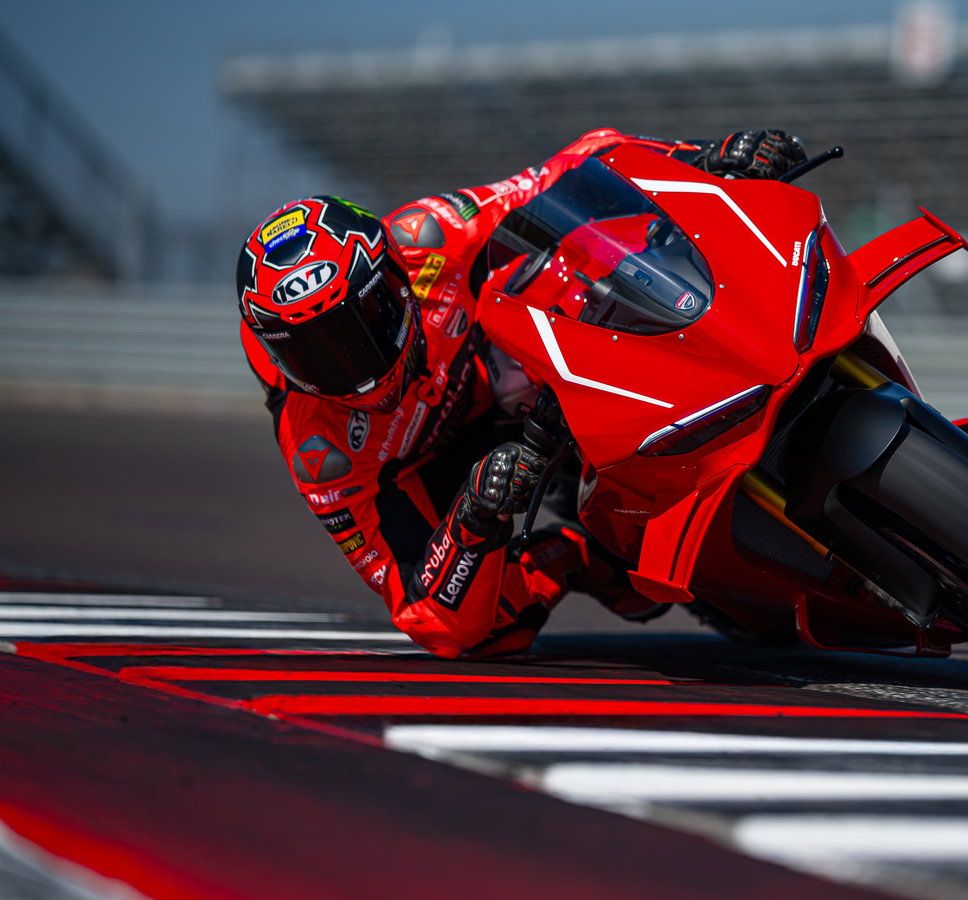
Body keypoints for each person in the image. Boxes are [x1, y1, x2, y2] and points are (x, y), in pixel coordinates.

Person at [236, 128, 807, 658]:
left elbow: (570, 169)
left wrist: (704, 158)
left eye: (363, 320)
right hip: (450, 471)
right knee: (484, 635)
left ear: (393, 276)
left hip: (509, 364)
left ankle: (721, 360)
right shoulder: (321, 452)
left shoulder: (431, 237)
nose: (351, 364)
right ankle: (576, 556)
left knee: (578, 251)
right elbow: (420, 613)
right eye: (315, 353)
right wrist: (474, 516)